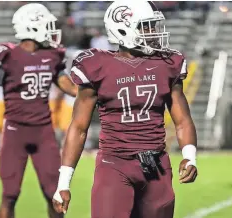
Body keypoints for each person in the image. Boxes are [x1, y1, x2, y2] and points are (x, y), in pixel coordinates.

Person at [53, 1, 197, 218]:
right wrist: (64, 182)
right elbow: (79, 127)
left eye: (153, 25)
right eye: (146, 26)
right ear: (123, 28)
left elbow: (183, 119)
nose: (153, 32)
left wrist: (190, 155)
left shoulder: (167, 63)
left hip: (156, 165)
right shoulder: (97, 65)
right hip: (114, 165)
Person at [0, 3, 77, 218]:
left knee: (54, 194)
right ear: (31, 27)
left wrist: (96, 94)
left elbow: (67, 85)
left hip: (44, 132)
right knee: (10, 195)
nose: (52, 30)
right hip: (15, 131)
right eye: (46, 24)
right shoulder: (7, 55)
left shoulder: (52, 55)